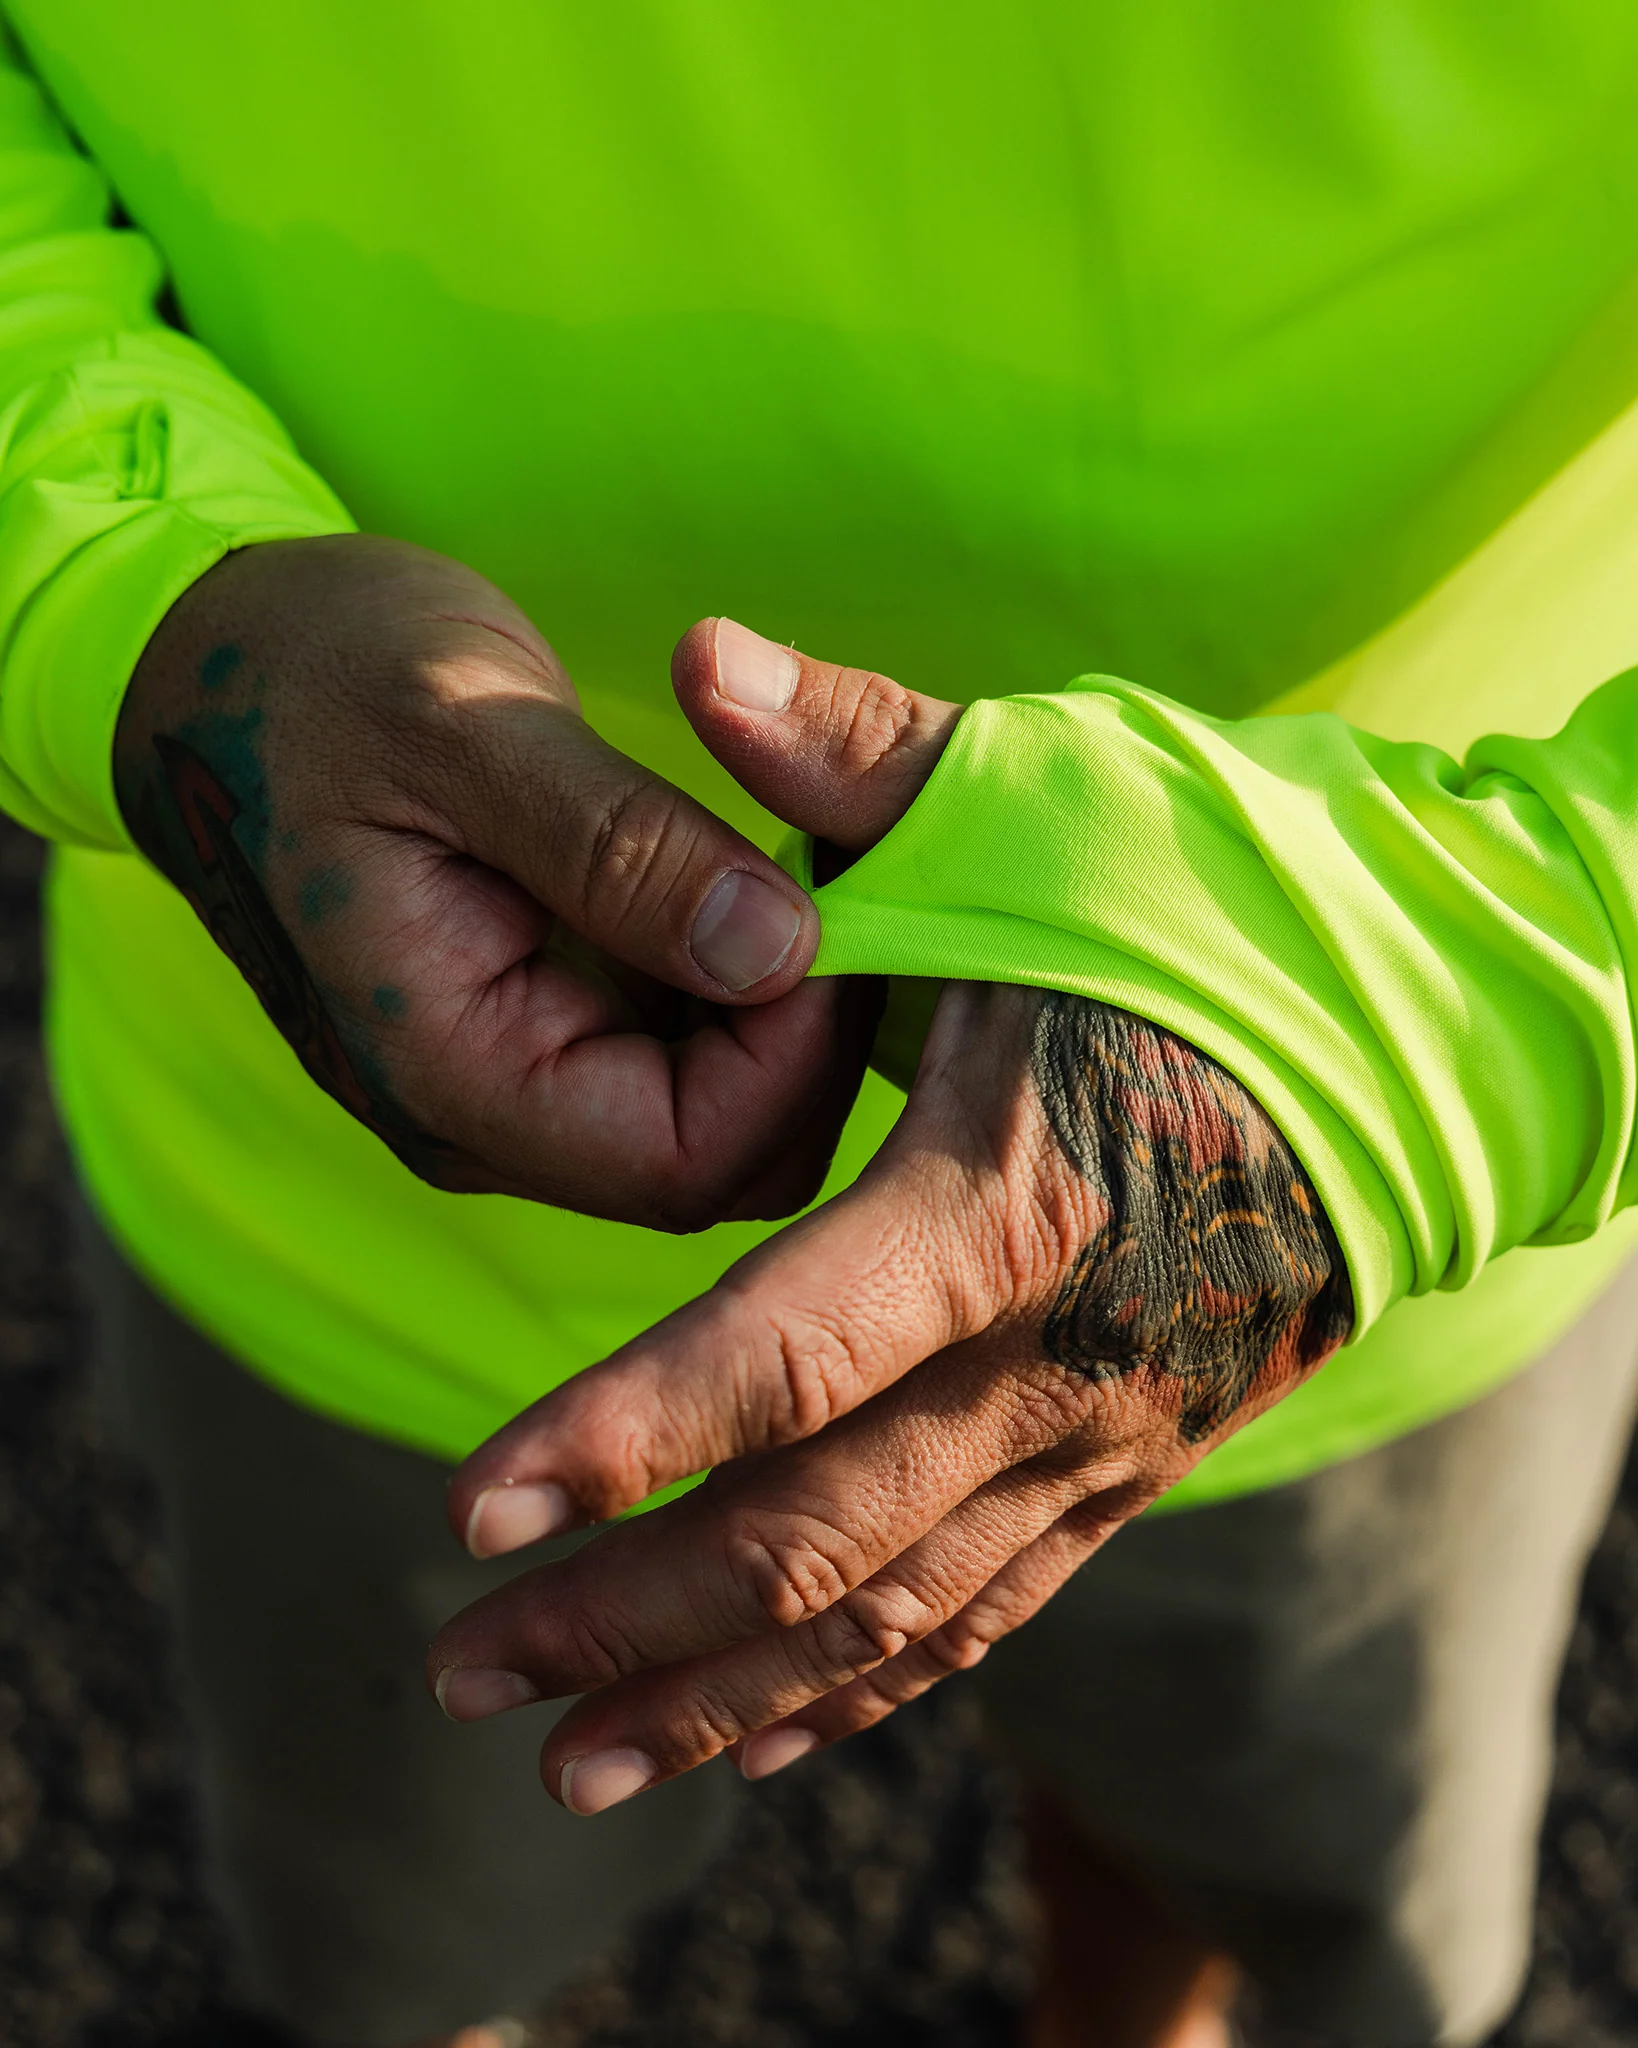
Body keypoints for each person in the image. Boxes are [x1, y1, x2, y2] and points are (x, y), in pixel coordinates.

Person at [7, 4, 1638, 2044]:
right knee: (402, 1931)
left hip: (1365, 1184)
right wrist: (116, 581)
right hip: (344, 1227)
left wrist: (1484, 995)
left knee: (1240, 1839)